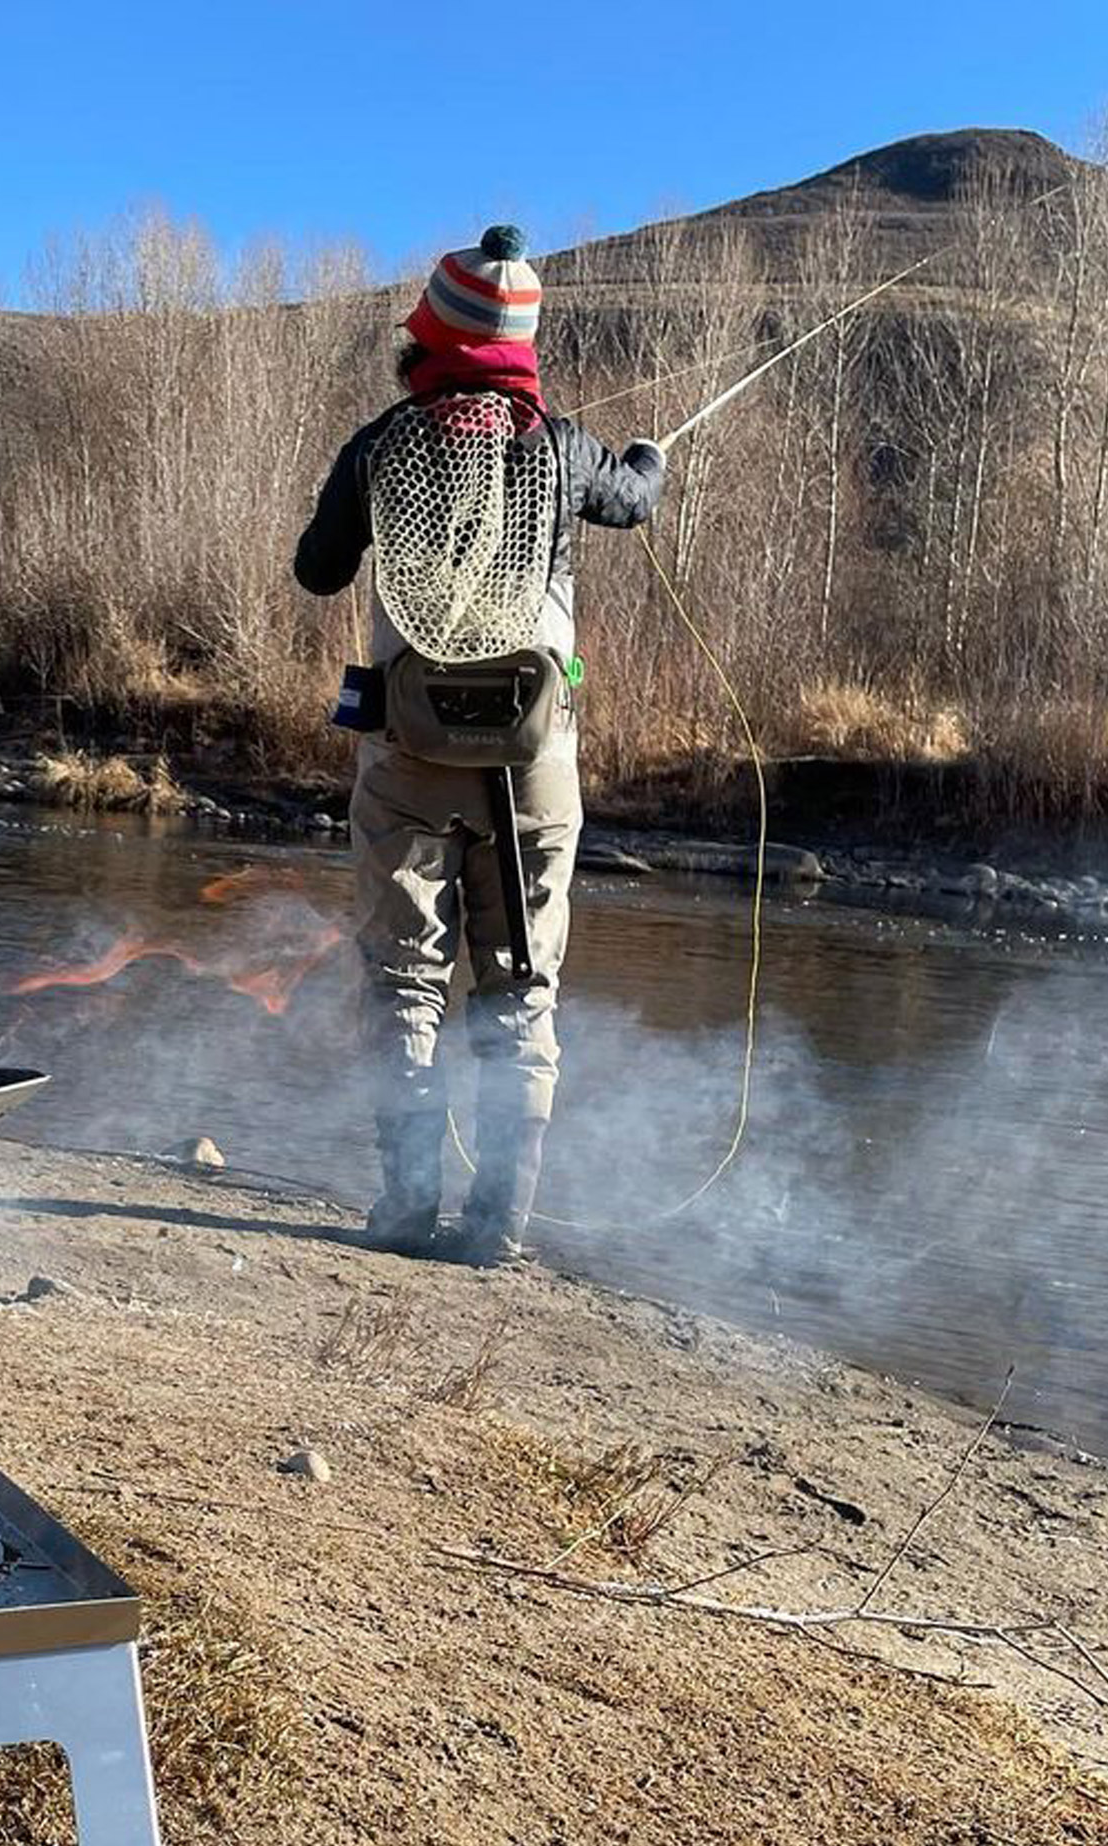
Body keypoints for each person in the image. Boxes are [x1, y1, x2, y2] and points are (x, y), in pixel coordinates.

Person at [293, 226, 668, 1265]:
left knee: (405, 980)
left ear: (433, 333)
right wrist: (647, 458)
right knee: (520, 987)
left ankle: (408, 1207)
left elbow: (317, 571)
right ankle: (498, 1224)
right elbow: (634, 499)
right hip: (534, 762)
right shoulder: (562, 446)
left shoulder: (380, 444)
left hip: (405, 757)